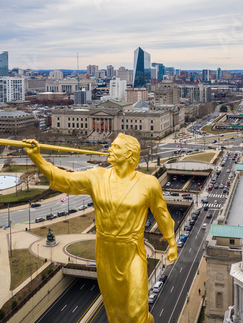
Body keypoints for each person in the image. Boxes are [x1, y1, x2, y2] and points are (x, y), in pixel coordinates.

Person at [24, 133, 178, 323]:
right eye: (111, 146)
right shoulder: (97, 176)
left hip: (132, 252)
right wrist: (36, 157)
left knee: (137, 311)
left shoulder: (148, 184)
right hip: (105, 252)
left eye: (115, 147)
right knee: (114, 312)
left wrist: (171, 242)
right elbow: (65, 179)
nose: (110, 149)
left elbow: (162, 213)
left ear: (129, 154)